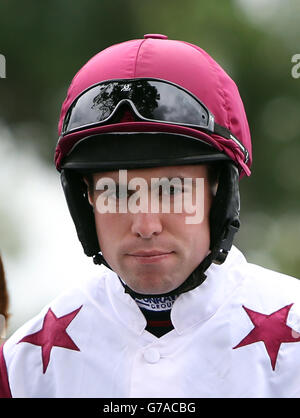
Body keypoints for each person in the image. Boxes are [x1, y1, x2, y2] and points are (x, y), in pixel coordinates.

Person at [1, 34, 300, 399]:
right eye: (118, 192)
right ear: (86, 199)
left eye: (171, 191)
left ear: (219, 191)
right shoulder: (23, 368)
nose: (145, 225)